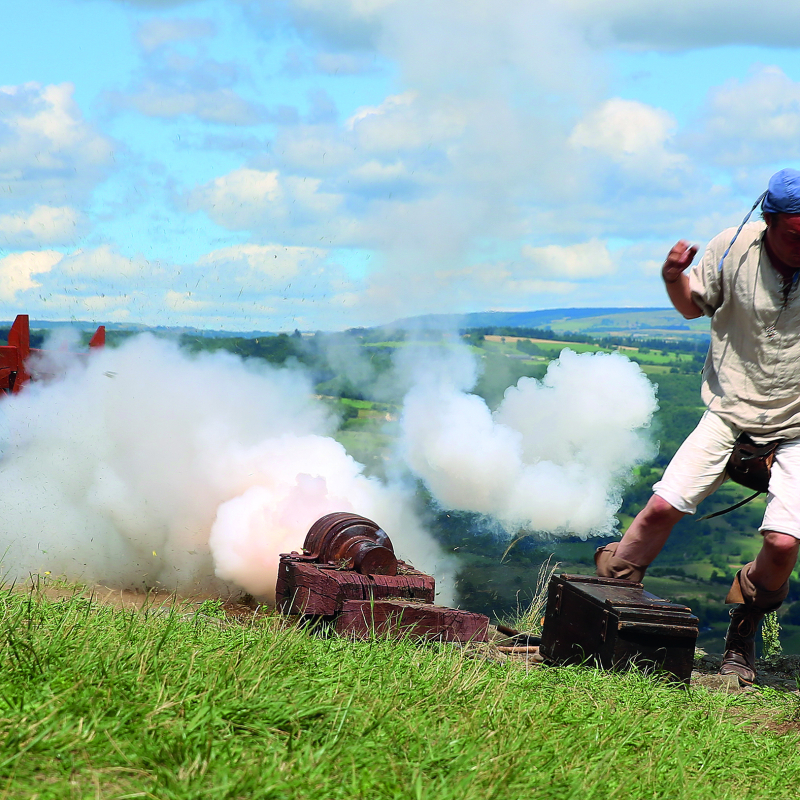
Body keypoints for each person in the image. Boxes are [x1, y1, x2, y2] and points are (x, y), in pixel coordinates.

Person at [595, 168, 800, 685]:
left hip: (798, 423)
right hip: (730, 410)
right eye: (795, 234)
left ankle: (742, 631)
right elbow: (692, 307)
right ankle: (612, 608)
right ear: (769, 220)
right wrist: (671, 277)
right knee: (660, 508)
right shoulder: (731, 248)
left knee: (781, 544)